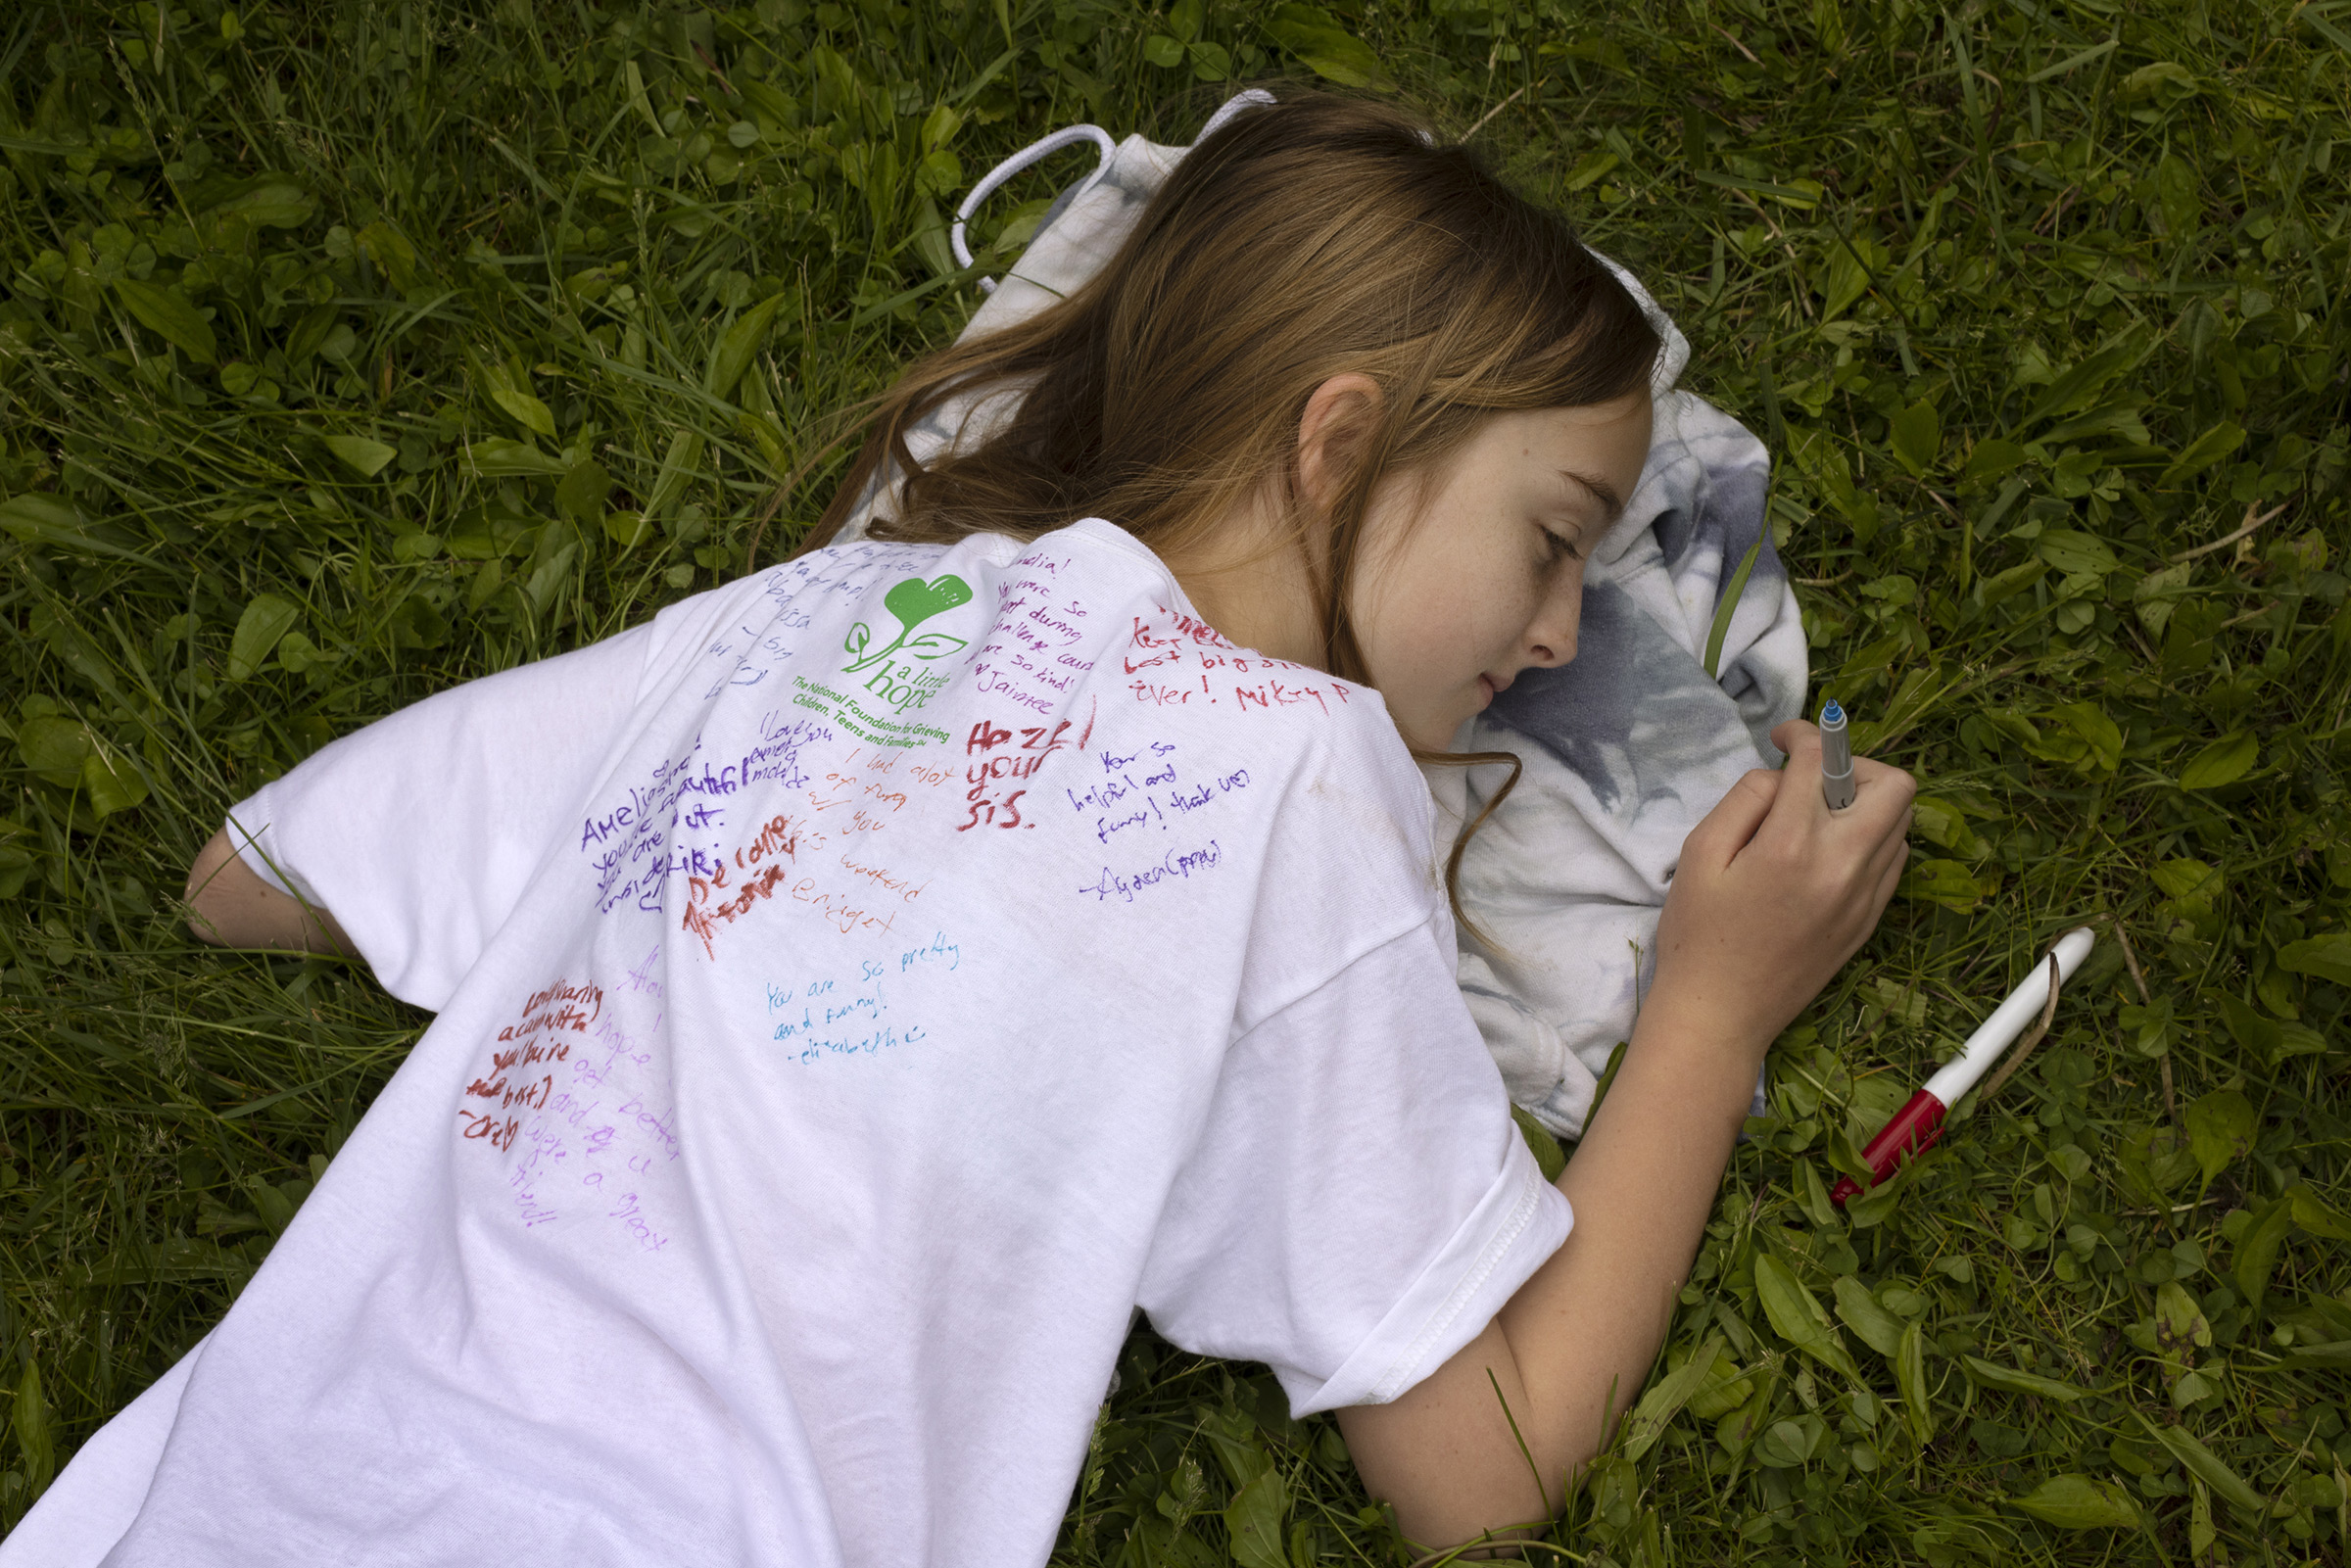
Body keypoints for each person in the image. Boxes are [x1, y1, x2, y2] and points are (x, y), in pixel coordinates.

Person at [7, 91, 1911, 1566]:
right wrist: (1710, 1015)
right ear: (1338, 443)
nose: (1567, 628)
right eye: (1556, 535)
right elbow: (1484, 1462)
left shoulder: (812, 616)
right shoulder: (1297, 777)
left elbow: (245, 883)